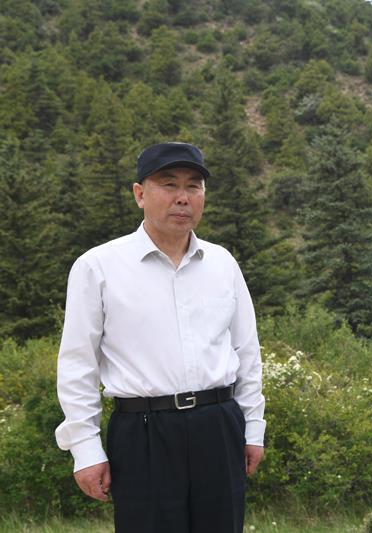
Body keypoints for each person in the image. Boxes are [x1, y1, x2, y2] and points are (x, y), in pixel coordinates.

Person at [55, 142, 266, 533]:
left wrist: (253, 428)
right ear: (140, 194)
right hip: (143, 433)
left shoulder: (222, 263)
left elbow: (247, 353)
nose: (182, 197)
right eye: (169, 184)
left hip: (219, 426)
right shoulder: (98, 267)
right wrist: (84, 448)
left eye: (193, 186)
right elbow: (77, 364)